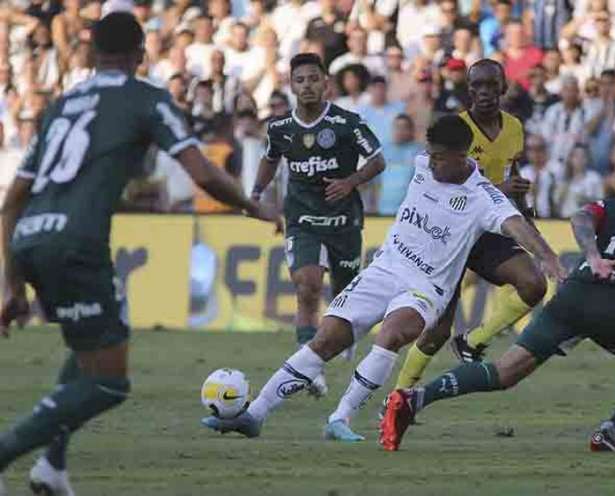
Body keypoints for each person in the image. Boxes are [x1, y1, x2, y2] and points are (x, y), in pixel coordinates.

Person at [0, 12, 275, 496]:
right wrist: (254, 207)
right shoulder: (147, 99)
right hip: (77, 243)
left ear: (90, 54)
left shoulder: (61, 105)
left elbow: (13, 201)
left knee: (101, 335)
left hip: (31, 238)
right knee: (107, 384)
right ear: (142, 53)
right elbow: (205, 175)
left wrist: (11, 281)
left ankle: (52, 468)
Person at [200, 114, 565, 441]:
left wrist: (547, 256)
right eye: (430, 153)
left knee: (392, 334)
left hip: (426, 287)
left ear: (461, 155)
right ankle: (255, 415)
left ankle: (341, 418)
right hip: (385, 267)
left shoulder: (484, 197)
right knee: (327, 339)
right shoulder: (424, 163)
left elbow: (516, 225)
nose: (430, 160)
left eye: (439, 156)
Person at [382, 150, 615, 453]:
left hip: (575, 292)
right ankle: (610, 429)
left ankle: (414, 398)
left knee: (505, 371)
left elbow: (580, 217)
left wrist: (593, 256)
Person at [390, 59, 549, 398]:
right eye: (477, 86)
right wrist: (499, 191)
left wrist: (526, 217)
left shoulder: (514, 128)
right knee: (436, 331)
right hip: (451, 232)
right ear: (468, 91)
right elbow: (436, 183)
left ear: (504, 88)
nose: (485, 93)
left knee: (534, 284)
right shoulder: (454, 129)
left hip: (488, 233)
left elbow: (511, 174)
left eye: (492, 86)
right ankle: (398, 397)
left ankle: (473, 341)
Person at [248, 53, 386, 395]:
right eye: (300, 80)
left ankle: (344, 336)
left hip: (343, 220)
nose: (307, 85)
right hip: (301, 218)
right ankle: (309, 369)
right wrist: (255, 194)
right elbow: (270, 160)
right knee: (307, 286)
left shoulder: (346, 123)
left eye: (313, 79)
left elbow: (378, 160)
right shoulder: (280, 128)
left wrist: (350, 182)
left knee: (345, 295)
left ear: (325, 83)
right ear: (291, 85)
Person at [378, 114, 423, 215]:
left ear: (412, 130)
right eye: (397, 127)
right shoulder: (383, 150)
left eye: (404, 128)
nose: (400, 131)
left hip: (409, 213)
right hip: (384, 210)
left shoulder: (420, 152)